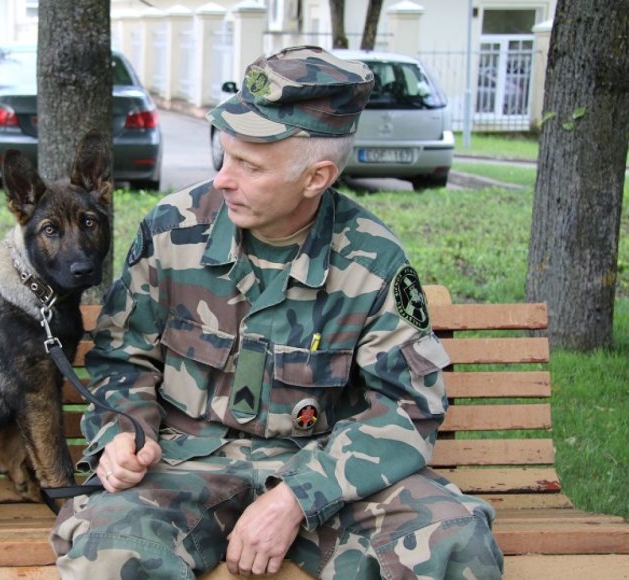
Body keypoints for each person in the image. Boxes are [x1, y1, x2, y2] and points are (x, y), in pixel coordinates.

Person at [50, 46, 504, 579]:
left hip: (323, 468)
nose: (223, 178)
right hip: (181, 464)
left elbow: (407, 406)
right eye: (225, 155)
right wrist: (126, 434)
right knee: (108, 548)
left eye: (249, 165)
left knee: (454, 544)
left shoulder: (373, 260)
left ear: (316, 177)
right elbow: (123, 357)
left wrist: (296, 497)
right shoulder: (173, 228)